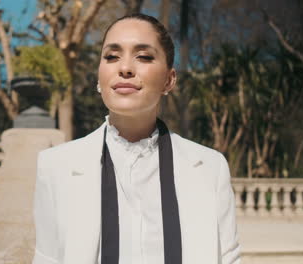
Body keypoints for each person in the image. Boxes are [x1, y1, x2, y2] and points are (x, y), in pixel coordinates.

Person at [32, 13, 241, 264]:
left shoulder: (210, 167)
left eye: (143, 56)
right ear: (99, 76)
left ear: (169, 80)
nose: (125, 68)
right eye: (111, 56)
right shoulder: (55, 167)